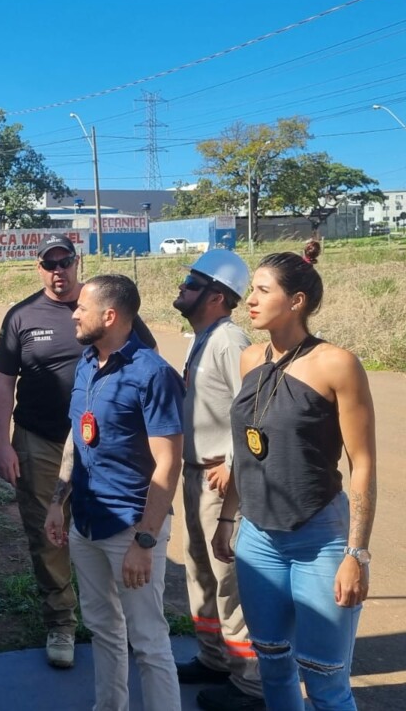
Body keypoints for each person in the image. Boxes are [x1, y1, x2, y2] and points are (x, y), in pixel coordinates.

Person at [213, 240, 378, 711]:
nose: (250, 300)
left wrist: (356, 553)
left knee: (325, 680)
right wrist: (230, 519)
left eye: (263, 291)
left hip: (319, 541)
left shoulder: (336, 365)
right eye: (252, 290)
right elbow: (248, 452)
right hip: (258, 541)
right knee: (274, 667)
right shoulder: (250, 360)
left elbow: (362, 463)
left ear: (297, 302)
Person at [0, 234, 158, 668]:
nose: (58, 271)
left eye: (64, 261)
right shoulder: (22, 316)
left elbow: (146, 363)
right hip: (40, 440)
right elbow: (4, 384)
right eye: (49, 264)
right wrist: (2, 443)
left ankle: (113, 622)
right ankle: (61, 622)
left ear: (76, 262)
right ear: (38, 267)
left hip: (105, 447)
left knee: (108, 530)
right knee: (49, 536)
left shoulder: (107, 307)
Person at [44, 274, 184, 711]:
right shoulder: (87, 362)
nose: (74, 313)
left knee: (147, 640)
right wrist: (57, 502)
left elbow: (169, 462)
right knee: (103, 629)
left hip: (130, 527)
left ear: (111, 315)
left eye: (82, 307)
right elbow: (76, 436)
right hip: (86, 521)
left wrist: (145, 540)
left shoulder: (153, 375)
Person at [171, 251, 264, 711]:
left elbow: (252, 412)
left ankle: (250, 683)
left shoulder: (230, 341)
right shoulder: (200, 338)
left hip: (218, 478)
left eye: (192, 281)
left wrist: (231, 462)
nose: (183, 287)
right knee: (199, 571)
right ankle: (213, 658)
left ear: (217, 296)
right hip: (193, 473)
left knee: (228, 579)